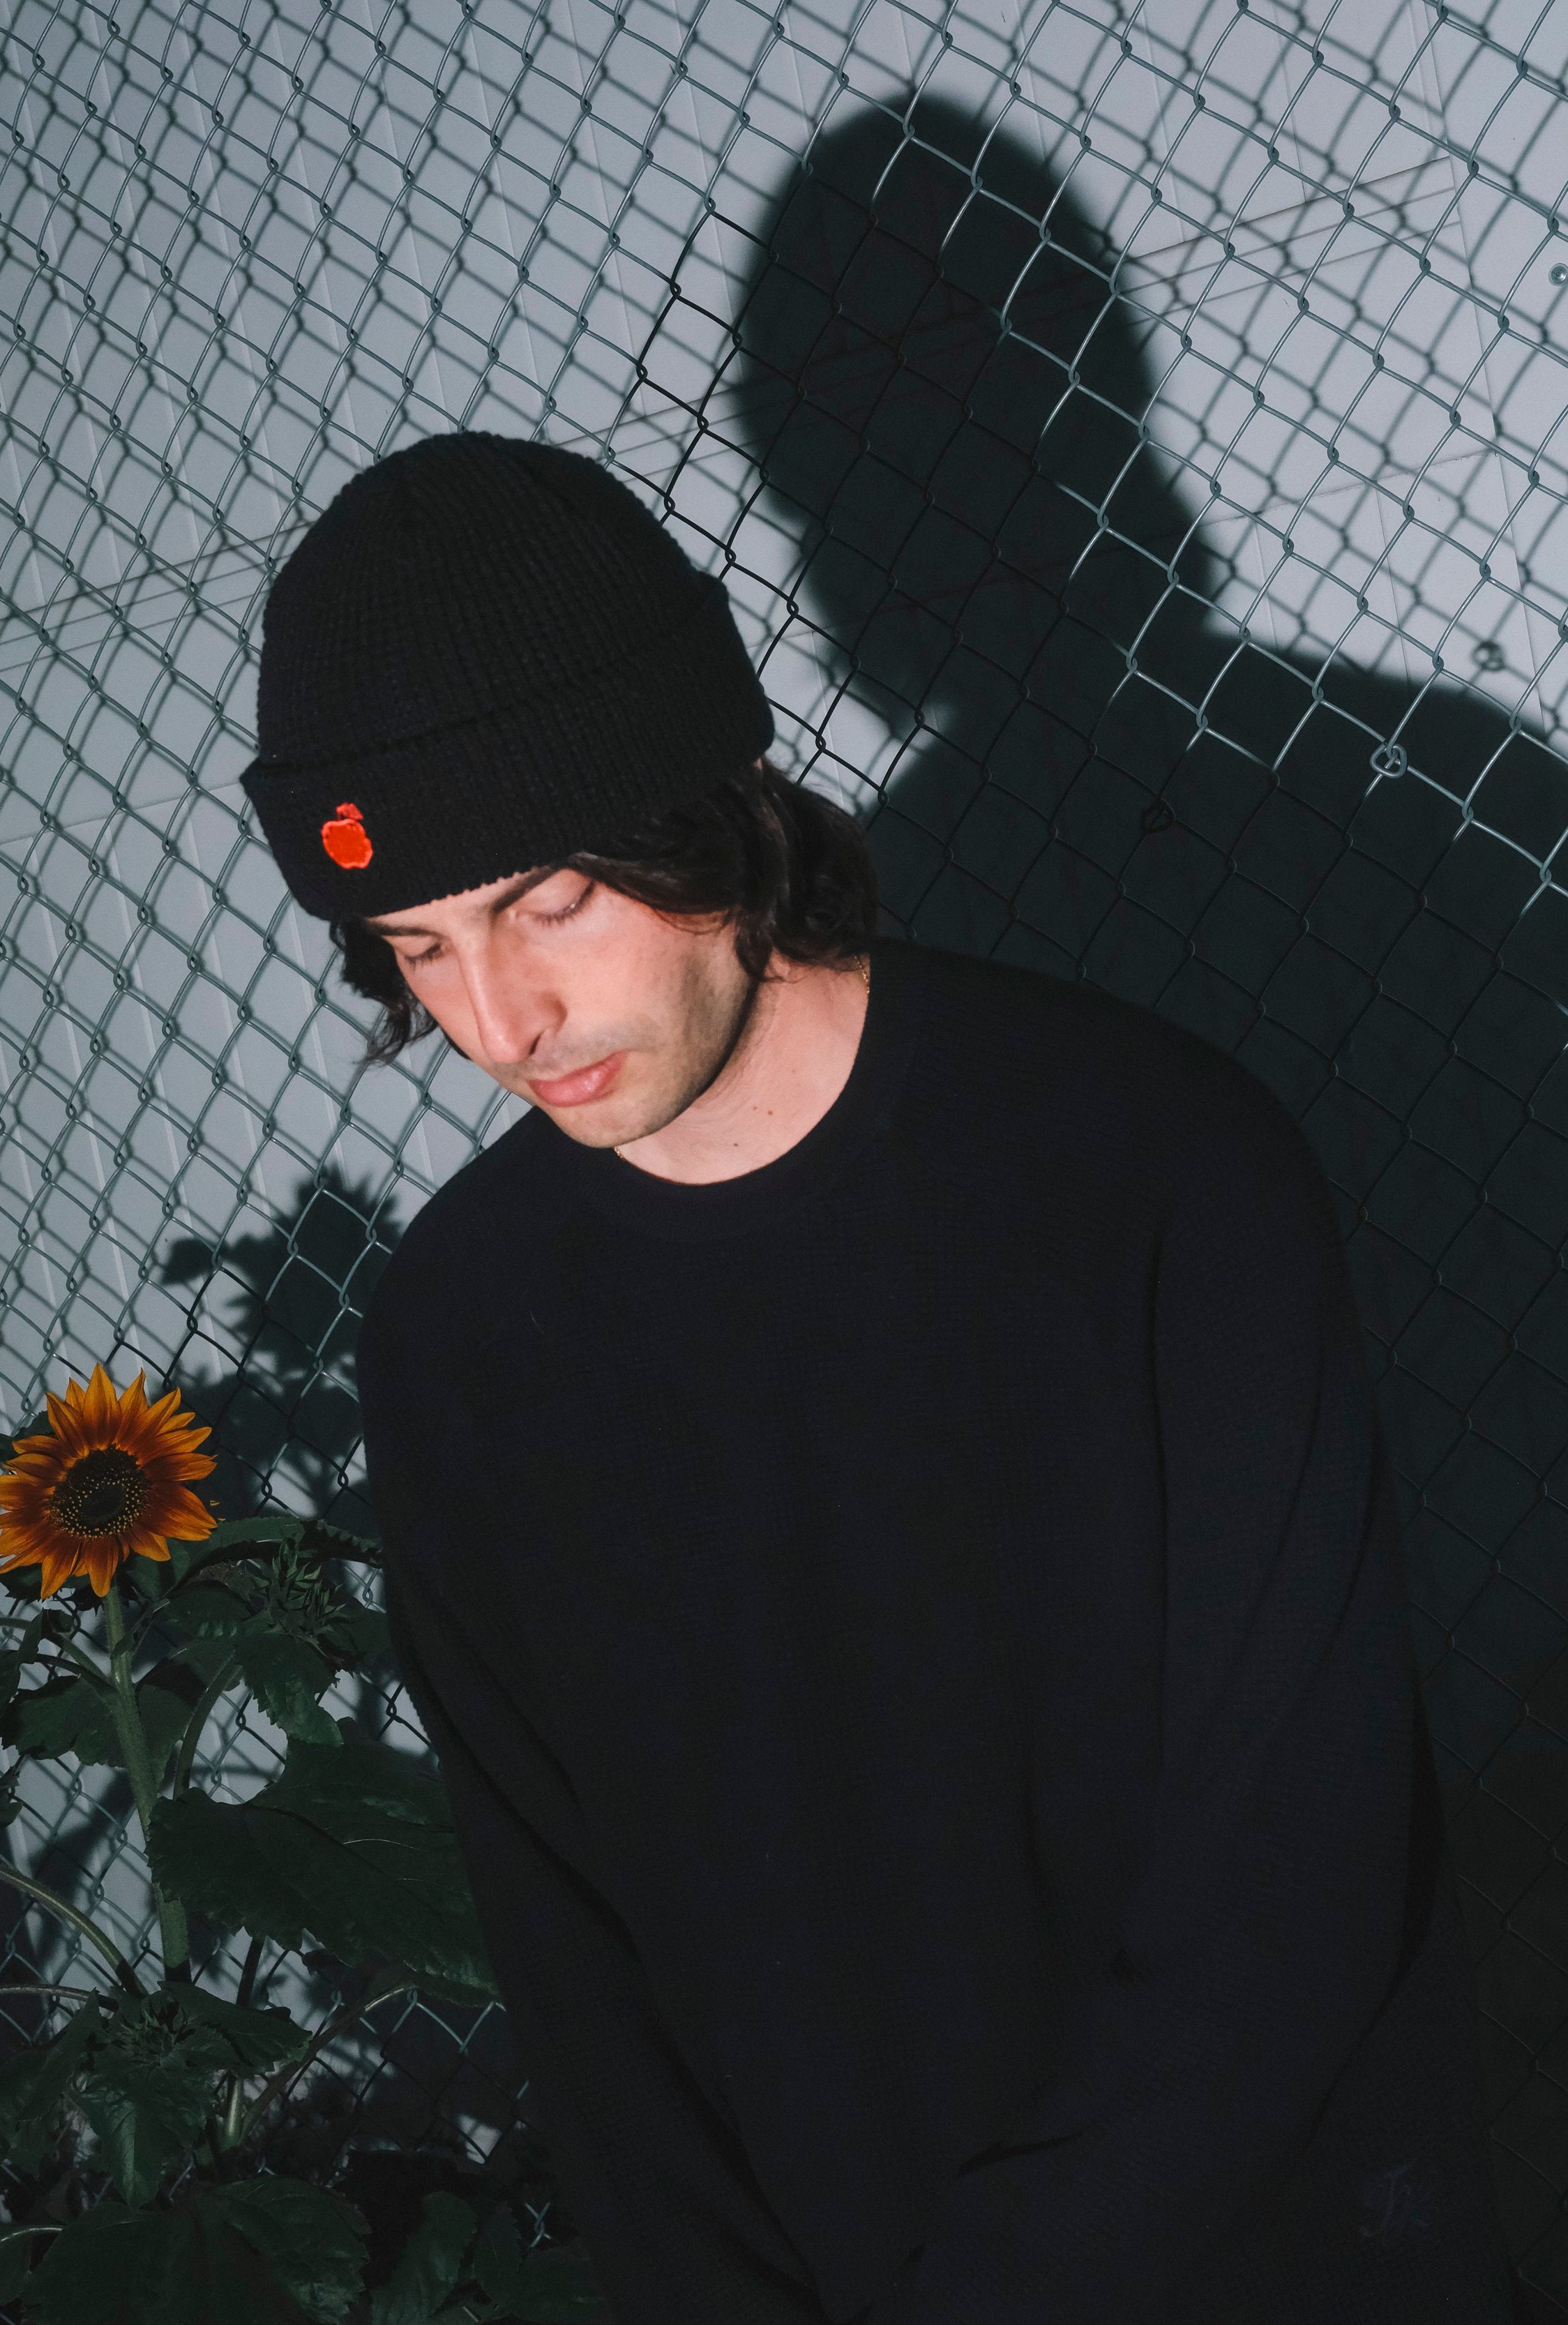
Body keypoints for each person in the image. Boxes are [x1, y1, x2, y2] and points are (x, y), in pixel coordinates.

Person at [239, 428, 1513, 2323]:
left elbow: (1294, 1866)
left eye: (547, 902)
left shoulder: (1149, 1173)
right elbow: (576, 1973)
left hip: (1270, 2257)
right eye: (415, 944)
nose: (496, 1019)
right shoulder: (458, 1341)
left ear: (706, 805)